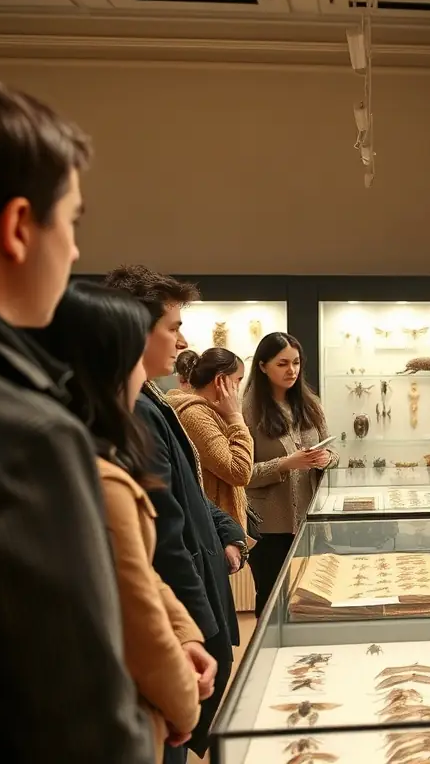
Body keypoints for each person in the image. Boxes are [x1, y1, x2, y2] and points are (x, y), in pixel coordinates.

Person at [0, 73, 154, 762]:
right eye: (74, 222)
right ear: (19, 227)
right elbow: (77, 726)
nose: (77, 252)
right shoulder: (22, 433)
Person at [30, 282, 208, 764]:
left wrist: (187, 634)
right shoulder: (97, 473)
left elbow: (142, 576)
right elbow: (135, 602)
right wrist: (184, 702)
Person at [103, 264, 248, 764]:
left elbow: (187, 493)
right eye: (172, 327)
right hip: (179, 609)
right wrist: (200, 628)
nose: (183, 340)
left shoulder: (150, 398)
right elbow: (166, 535)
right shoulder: (140, 408)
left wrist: (226, 529)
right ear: (135, 329)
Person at [243, 332, 339, 616]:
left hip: (313, 519)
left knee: (314, 598)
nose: (292, 370)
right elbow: (242, 474)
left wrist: (324, 458)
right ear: (263, 366)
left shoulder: (311, 404)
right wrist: (286, 463)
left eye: (296, 363)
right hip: (270, 525)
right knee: (274, 600)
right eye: (282, 363)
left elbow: (334, 452)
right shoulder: (247, 411)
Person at [166, 348, 253, 535]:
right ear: (221, 380)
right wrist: (236, 419)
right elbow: (239, 472)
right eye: (238, 380)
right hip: (214, 532)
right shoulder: (194, 415)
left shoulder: (211, 412)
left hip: (222, 529)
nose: (238, 388)